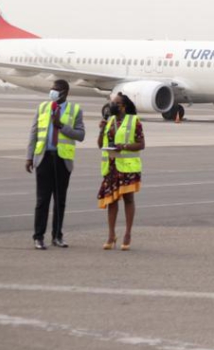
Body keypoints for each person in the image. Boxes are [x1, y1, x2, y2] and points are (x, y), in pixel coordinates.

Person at [25, 79, 85, 250]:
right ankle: (38, 237)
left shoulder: (75, 110)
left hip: (62, 160)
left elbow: (80, 135)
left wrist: (62, 126)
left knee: (60, 200)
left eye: (56, 89)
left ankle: (57, 236)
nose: (52, 92)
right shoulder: (42, 107)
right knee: (42, 200)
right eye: (52, 89)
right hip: (43, 158)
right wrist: (29, 157)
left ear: (65, 92)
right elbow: (34, 133)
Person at [97, 92, 145, 250]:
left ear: (123, 106)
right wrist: (101, 130)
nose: (112, 105)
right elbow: (100, 144)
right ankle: (111, 235)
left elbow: (141, 144)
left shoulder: (134, 121)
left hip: (127, 166)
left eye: (116, 103)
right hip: (111, 166)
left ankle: (127, 233)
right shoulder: (109, 121)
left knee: (128, 199)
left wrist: (123, 147)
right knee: (111, 201)